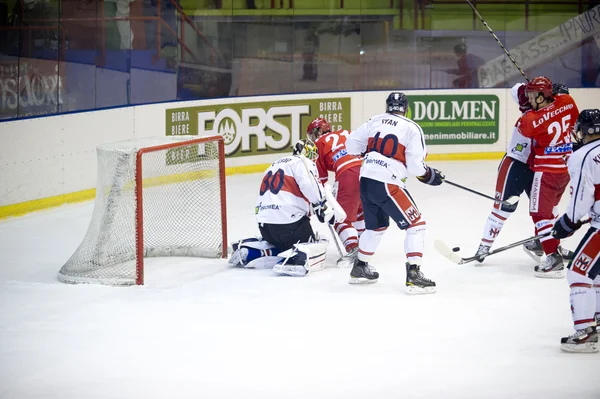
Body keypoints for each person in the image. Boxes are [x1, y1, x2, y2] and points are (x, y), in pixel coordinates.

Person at [345, 92, 443, 294]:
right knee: (416, 225)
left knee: (376, 226)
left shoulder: (375, 120)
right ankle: (414, 276)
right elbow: (416, 167)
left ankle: (360, 267)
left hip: (366, 180)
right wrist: (430, 174)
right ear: (406, 108)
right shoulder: (411, 127)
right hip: (387, 182)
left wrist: (369, 152)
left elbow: (350, 145)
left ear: (387, 106)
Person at [475, 82, 574, 263]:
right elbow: (517, 89)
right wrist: (527, 92)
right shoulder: (534, 111)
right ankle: (484, 246)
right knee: (504, 208)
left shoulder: (543, 113)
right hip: (516, 164)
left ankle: (549, 246)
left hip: (540, 168)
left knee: (549, 210)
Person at [228, 139, 334, 277]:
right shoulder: (302, 162)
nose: (314, 159)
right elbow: (309, 185)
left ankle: (252, 252)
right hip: (289, 224)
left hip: (265, 226)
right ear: (307, 153)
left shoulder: (273, 165)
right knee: (316, 242)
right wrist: (321, 204)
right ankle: (298, 259)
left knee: (282, 244)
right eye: (313, 155)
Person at [516, 76, 579, 278]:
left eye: (533, 96)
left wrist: (529, 109)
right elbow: (569, 115)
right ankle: (548, 245)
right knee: (551, 213)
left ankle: (553, 259)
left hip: (545, 172)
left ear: (542, 96)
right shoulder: (567, 102)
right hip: (565, 169)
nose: (530, 100)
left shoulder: (530, 119)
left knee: (540, 216)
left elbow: (523, 128)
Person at [550, 109, 600, 353]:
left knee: (579, 272)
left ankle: (586, 332)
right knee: (597, 273)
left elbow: (582, 196)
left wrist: (568, 221)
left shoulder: (583, 155)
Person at [306, 117, 364, 263]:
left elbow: (320, 179)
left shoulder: (319, 143)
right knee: (360, 213)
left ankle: (354, 249)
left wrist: (324, 201)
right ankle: (365, 247)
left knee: (339, 216)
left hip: (349, 174)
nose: (313, 139)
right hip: (369, 171)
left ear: (318, 131)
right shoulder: (347, 132)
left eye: (312, 135)